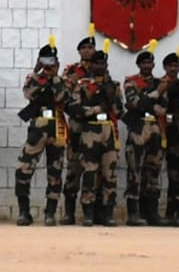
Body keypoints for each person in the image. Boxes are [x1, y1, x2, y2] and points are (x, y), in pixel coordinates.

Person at [14, 40, 67, 226]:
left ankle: (50, 213)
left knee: (55, 171)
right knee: (23, 169)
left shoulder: (62, 81)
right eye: (45, 60)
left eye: (51, 61)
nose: (48, 65)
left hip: (56, 127)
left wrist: (54, 77)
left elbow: (61, 97)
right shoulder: (34, 78)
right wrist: (38, 73)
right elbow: (28, 94)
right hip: (37, 128)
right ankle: (24, 212)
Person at [69, 46, 122, 226]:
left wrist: (111, 99)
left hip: (108, 130)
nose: (101, 66)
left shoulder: (113, 85)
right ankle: (88, 213)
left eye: (103, 63)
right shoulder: (82, 84)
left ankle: (107, 213)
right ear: (92, 65)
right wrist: (97, 108)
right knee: (90, 172)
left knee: (110, 174)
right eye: (97, 63)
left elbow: (119, 111)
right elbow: (75, 109)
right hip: (90, 130)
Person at [122, 46, 167, 226]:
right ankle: (133, 213)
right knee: (135, 171)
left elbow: (163, 108)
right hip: (138, 130)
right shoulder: (131, 82)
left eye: (150, 62)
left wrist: (146, 103)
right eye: (144, 63)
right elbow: (134, 103)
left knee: (153, 171)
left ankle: (151, 212)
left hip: (155, 131)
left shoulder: (159, 82)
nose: (147, 65)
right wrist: (155, 95)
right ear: (139, 64)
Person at [61, 31, 96, 225]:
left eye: (90, 47)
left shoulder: (101, 70)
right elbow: (64, 96)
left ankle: (91, 213)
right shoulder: (71, 71)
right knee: (73, 168)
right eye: (84, 48)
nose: (87, 51)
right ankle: (69, 212)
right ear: (79, 51)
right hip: (76, 125)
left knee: (93, 171)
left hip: (96, 128)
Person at [160, 50, 179, 226]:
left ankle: (173, 212)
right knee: (151, 174)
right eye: (170, 66)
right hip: (159, 132)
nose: (173, 68)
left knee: (175, 176)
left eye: (176, 66)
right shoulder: (158, 84)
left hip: (177, 135)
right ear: (164, 67)